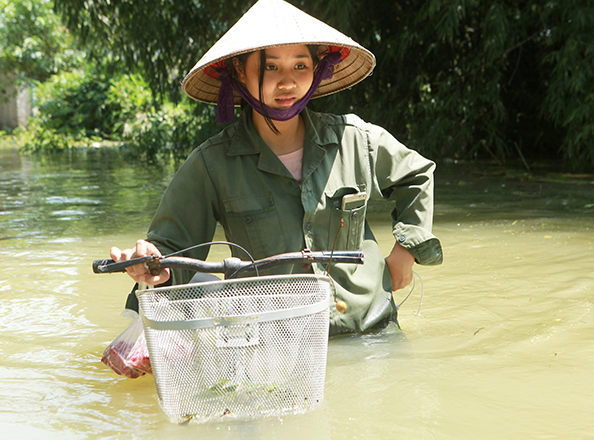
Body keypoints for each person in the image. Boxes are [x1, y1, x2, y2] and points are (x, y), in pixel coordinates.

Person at [110, 0, 443, 336]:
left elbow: (416, 175)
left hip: (373, 328)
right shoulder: (213, 164)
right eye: (271, 69)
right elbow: (170, 250)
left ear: (317, 69)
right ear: (240, 72)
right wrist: (152, 263)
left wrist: (405, 253)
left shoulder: (354, 139)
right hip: (276, 344)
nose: (288, 83)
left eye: (300, 66)